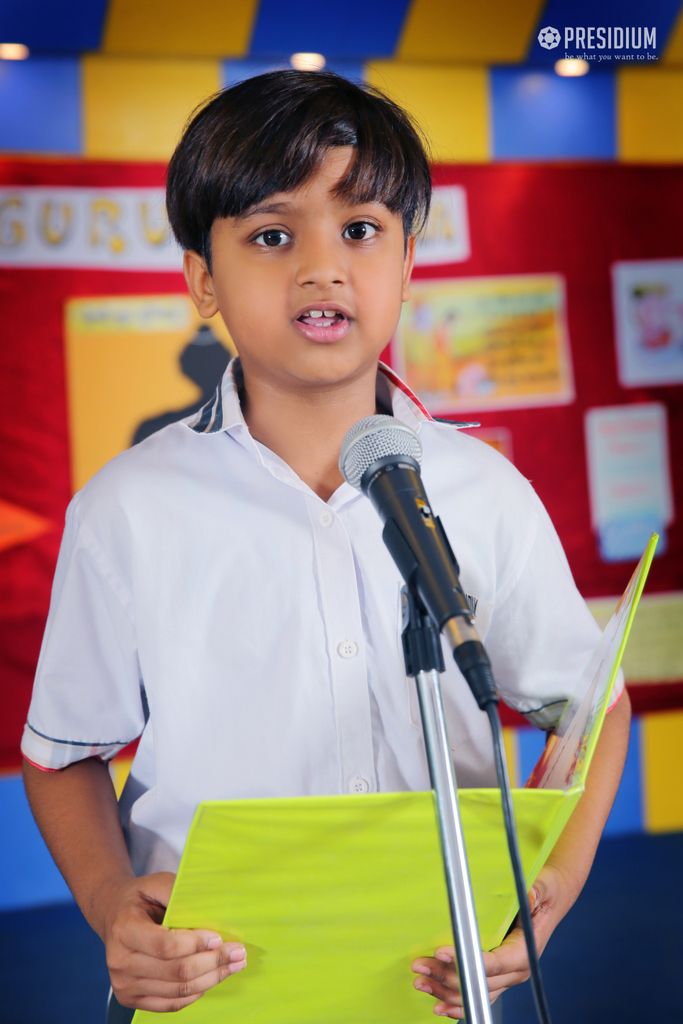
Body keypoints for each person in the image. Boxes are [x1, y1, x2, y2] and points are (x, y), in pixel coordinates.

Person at [21, 71, 630, 1022]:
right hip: (212, 989)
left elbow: (588, 709)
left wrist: (553, 882)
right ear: (201, 280)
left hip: (436, 988)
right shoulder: (128, 507)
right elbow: (61, 752)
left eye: (359, 230)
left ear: (407, 263)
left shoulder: (482, 491)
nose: (321, 266)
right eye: (272, 235)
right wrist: (108, 902)